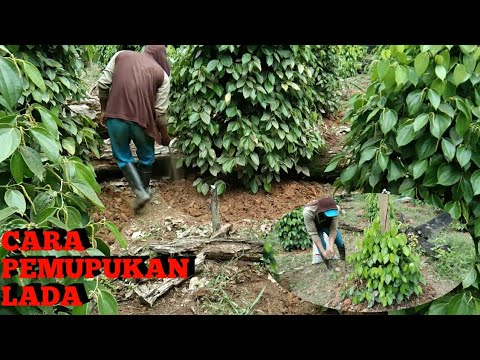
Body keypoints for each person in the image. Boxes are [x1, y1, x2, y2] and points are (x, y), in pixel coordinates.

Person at [97, 45, 172, 213]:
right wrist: (165, 136)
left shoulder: (120, 55)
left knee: (123, 157)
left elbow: (103, 84)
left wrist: (103, 110)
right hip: (142, 122)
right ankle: (143, 191)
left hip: (116, 116)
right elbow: (160, 113)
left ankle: (139, 192)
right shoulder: (162, 75)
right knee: (146, 158)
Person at [303, 196, 346, 271]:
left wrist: (331, 246)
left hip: (327, 225)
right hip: (316, 228)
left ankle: (343, 260)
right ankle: (329, 267)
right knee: (321, 246)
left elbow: (333, 229)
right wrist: (323, 251)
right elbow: (313, 233)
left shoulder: (336, 209)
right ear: (320, 211)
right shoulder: (308, 212)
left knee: (339, 242)